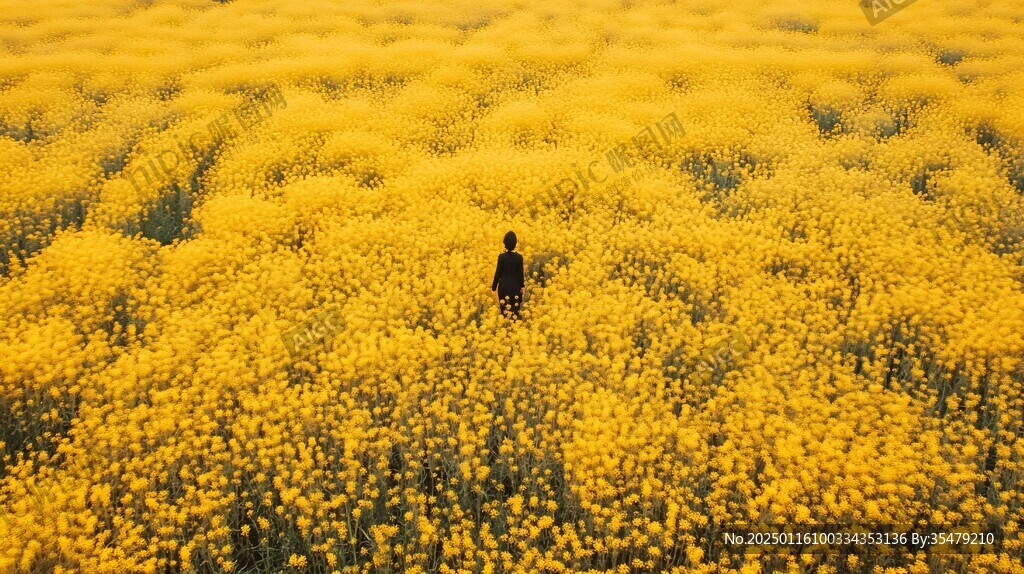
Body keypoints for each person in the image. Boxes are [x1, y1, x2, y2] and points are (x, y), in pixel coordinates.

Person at [491, 231, 524, 320]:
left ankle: (505, 329)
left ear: (504, 243)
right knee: (515, 314)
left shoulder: (501, 257)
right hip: (515, 288)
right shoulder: (519, 257)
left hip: (503, 288)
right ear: (515, 244)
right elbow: (521, 275)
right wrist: (522, 286)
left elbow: (497, 274)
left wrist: (494, 287)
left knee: (504, 313)